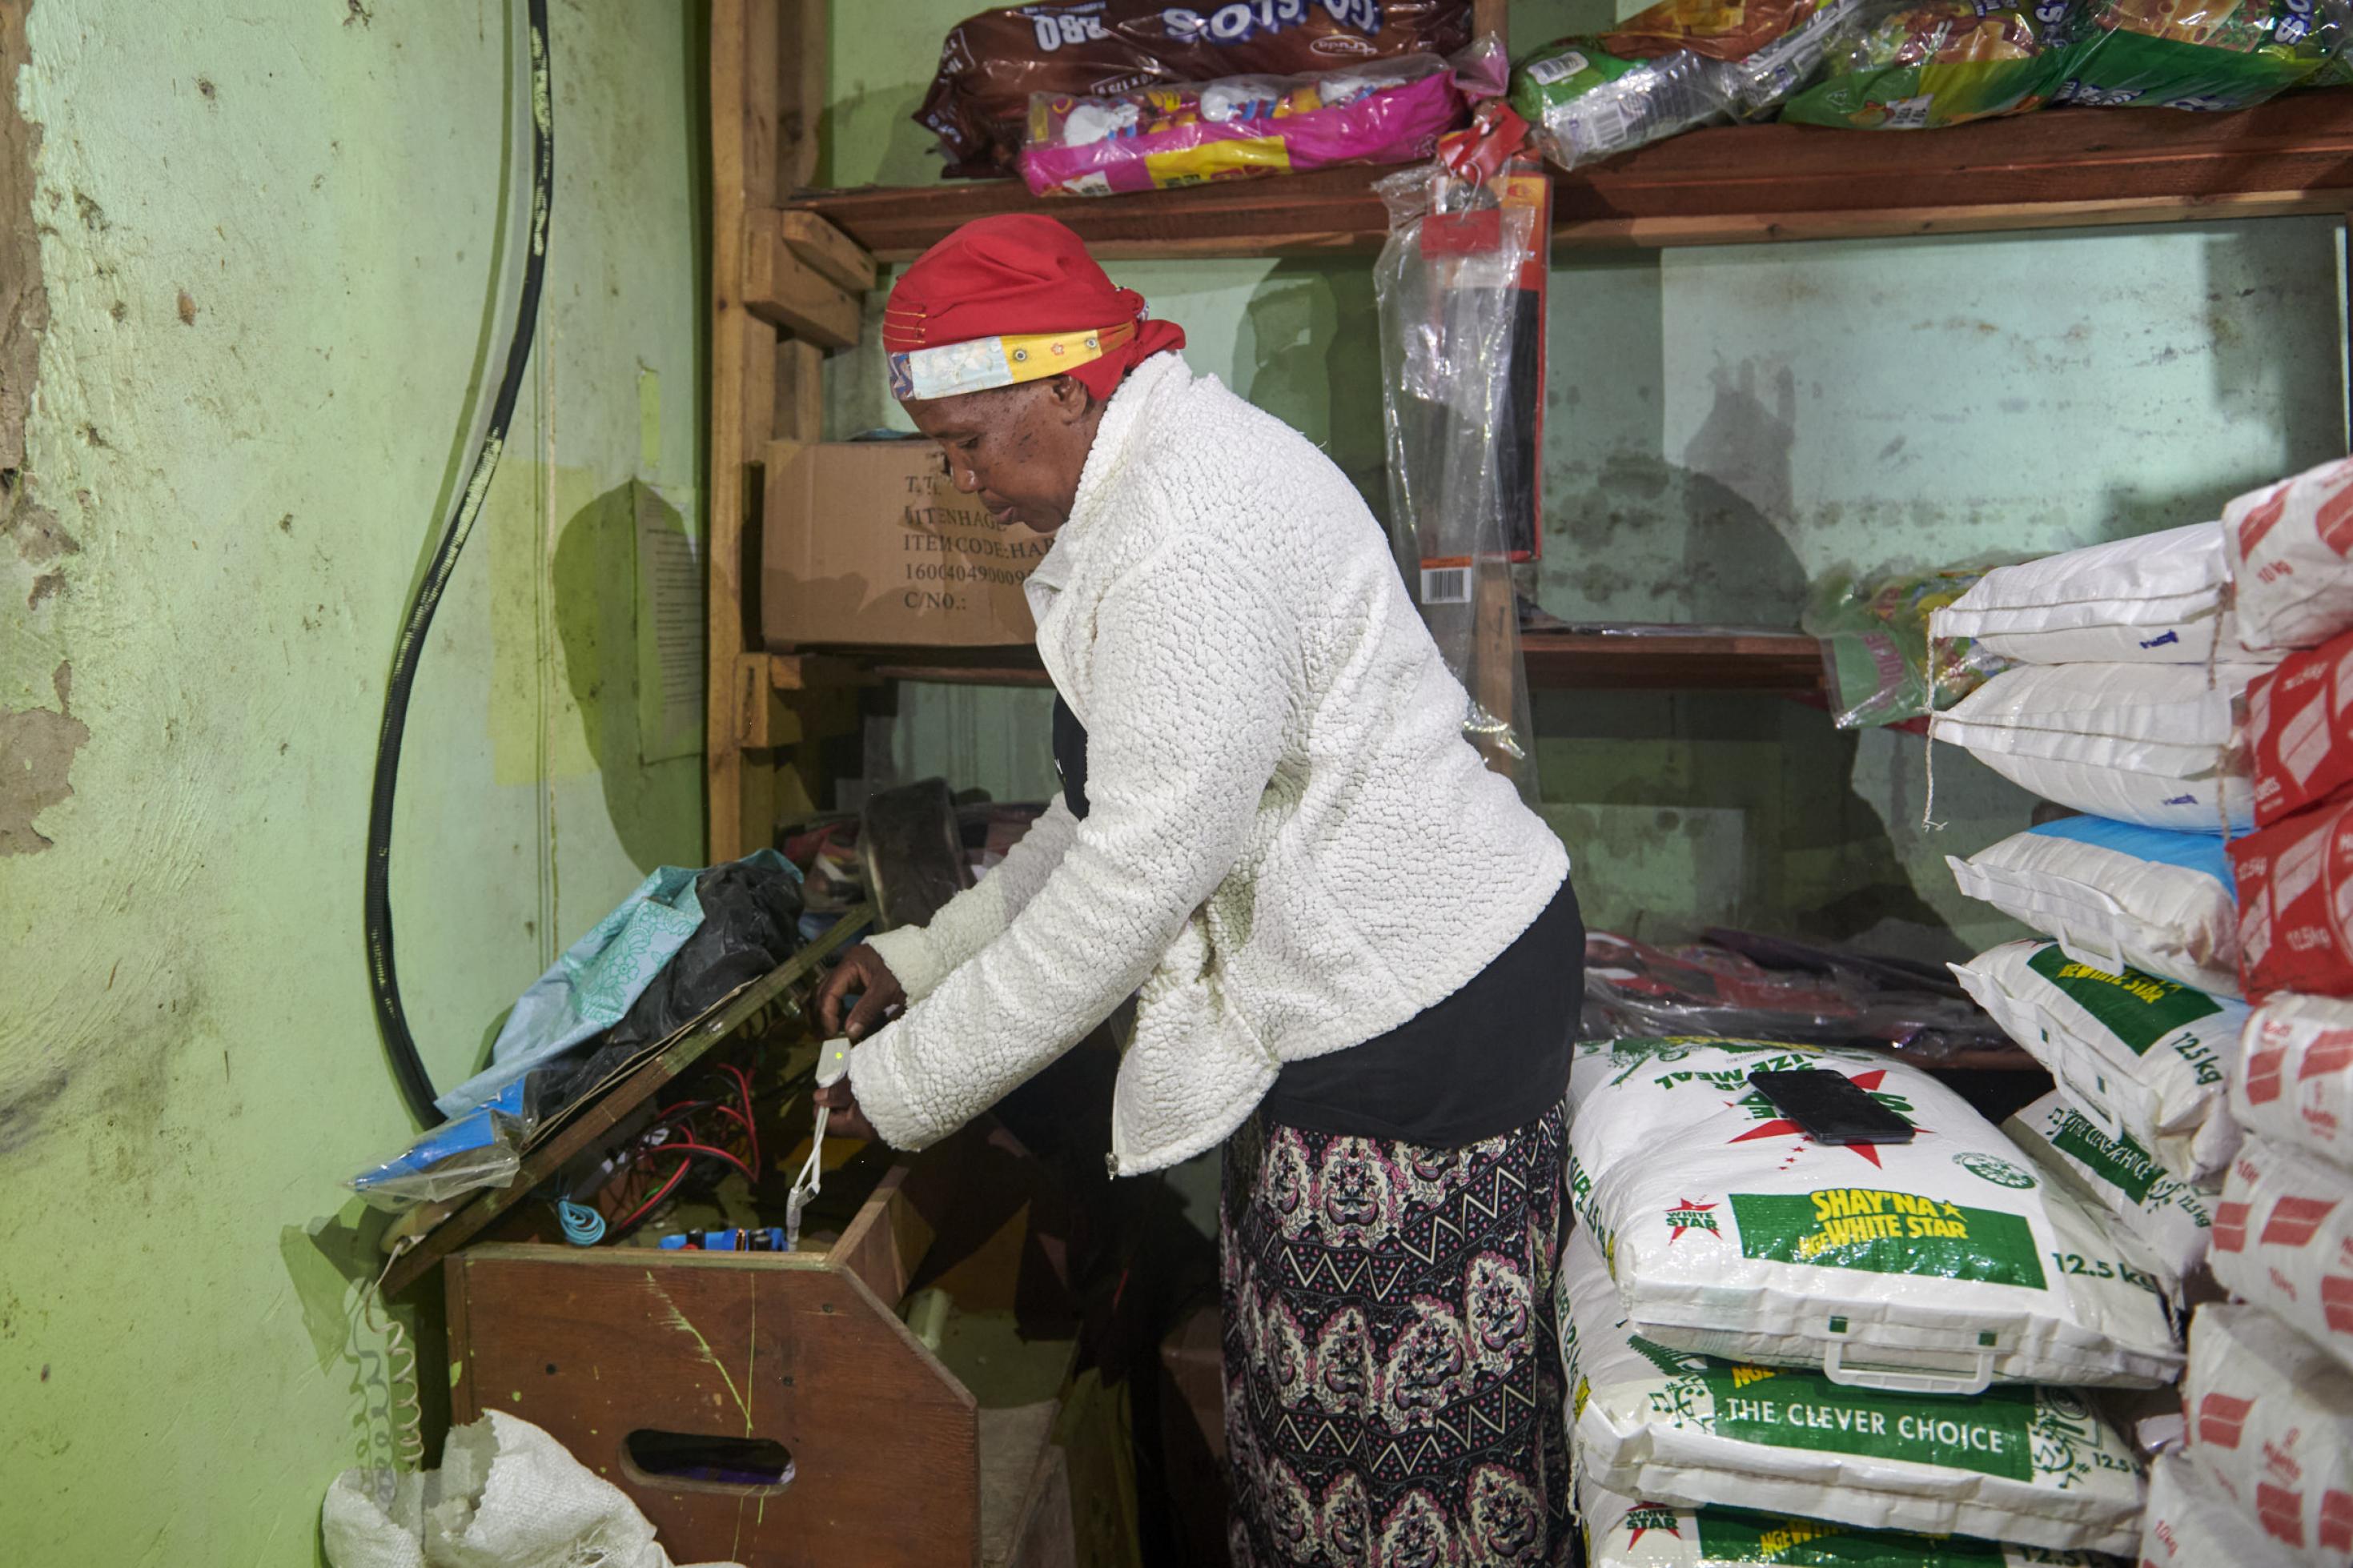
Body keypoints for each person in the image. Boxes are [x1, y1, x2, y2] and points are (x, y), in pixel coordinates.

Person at [812, 213, 1583, 1567]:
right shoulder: (1143, 490)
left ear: (1066, 383)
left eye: (973, 441)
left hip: (1416, 1007)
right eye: (940, 451)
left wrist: (902, 1088)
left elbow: (1134, 882)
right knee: (1304, 1416)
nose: (963, 484)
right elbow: (1106, 809)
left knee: (1398, 1465)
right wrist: (927, 958)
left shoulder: (1185, 540)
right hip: (1364, 991)